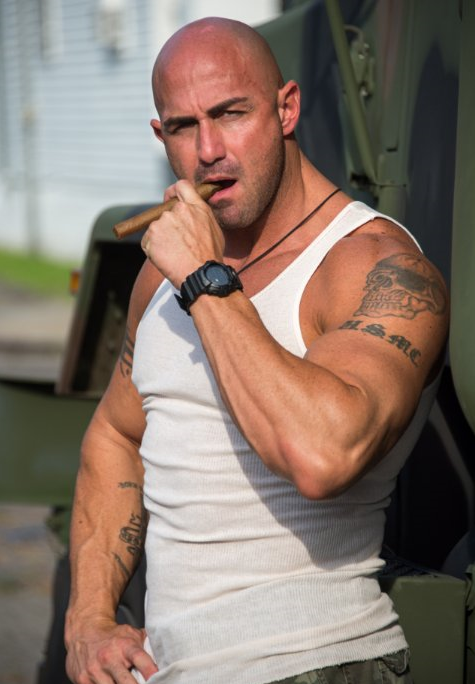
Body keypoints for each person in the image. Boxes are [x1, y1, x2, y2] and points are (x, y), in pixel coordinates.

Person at [64, 16, 449, 684]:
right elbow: (115, 436)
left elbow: (322, 457)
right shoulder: (162, 277)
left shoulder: (372, 265)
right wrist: (88, 620)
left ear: (286, 109)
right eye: (183, 127)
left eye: (230, 114)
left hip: (315, 662)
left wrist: (204, 280)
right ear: (160, 137)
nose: (208, 150)